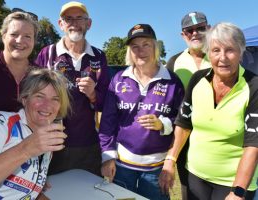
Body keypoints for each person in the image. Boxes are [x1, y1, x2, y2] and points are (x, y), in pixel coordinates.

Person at [159, 22, 258, 200]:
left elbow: (253, 145)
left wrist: (238, 190)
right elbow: (183, 123)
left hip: (232, 182)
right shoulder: (198, 79)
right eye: (216, 50)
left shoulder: (254, 86)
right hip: (194, 175)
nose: (223, 58)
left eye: (230, 50)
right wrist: (170, 160)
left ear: (241, 51)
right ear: (208, 53)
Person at [99, 23, 185, 200]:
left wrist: (162, 124)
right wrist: (107, 157)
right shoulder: (118, 79)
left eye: (146, 44)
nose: (141, 51)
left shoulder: (172, 81)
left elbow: (181, 122)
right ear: (130, 51)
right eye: (135, 47)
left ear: (155, 47)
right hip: (122, 166)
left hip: (156, 168)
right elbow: (107, 122)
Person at [0, 68, 70, 199]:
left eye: (55, 99)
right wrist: (25, 149)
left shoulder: (46, 139)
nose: (47, 106)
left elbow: (25, 192)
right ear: (24, 99)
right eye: (40, 96)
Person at [35, 1, 110, 176]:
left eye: (80, 18)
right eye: (68, 19)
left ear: (88, 24)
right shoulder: (47, 54)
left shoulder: (99, 56)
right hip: (52, 144)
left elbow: (107, 104)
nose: (74, 23)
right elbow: (33, 99)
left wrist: (93, 94)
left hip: (88, 144)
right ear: (61, 24)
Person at [165, 11, 211, 200]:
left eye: (200, 28)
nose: (195, 33)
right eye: (189, 30)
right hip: (185, 137)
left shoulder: (221, 56)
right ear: (182, 35)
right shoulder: (174, 62)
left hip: (217, 135)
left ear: (209, 29)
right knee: (190, 190)